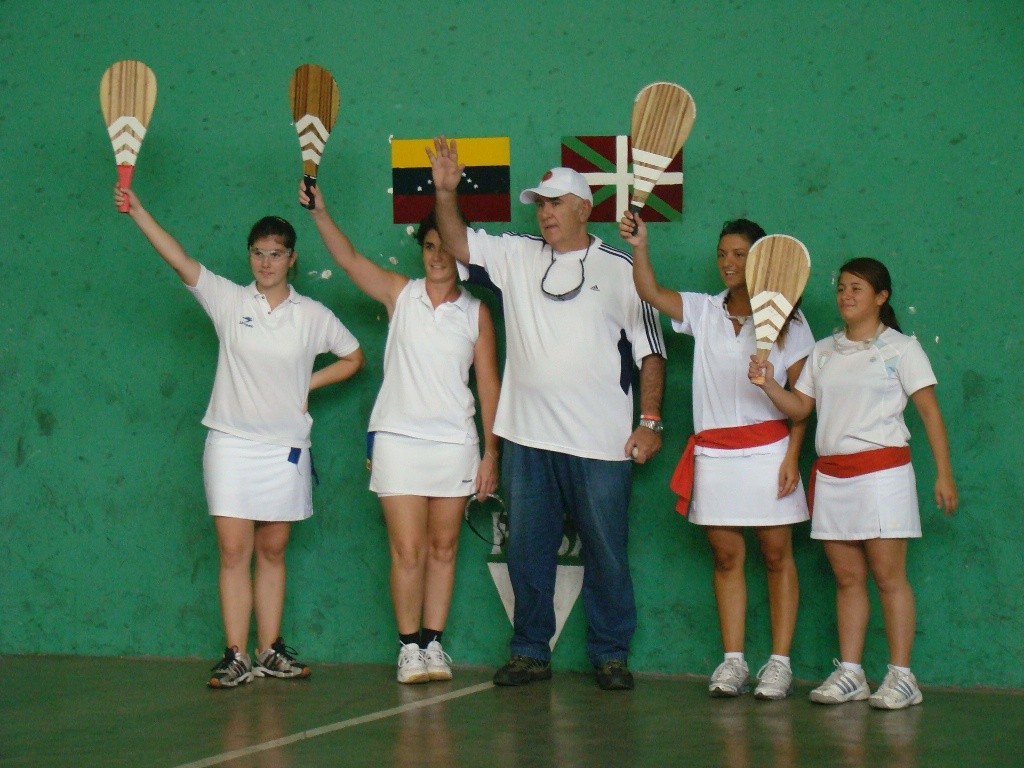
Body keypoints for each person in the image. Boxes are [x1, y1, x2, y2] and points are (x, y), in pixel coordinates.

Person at [426, 137, 667, 691]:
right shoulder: (516, 253)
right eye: (541, 203)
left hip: (603, 444)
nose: (546, 212)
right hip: (528, 440)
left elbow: (654, 350)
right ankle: (530, 650)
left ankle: (610, 654)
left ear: (584, 208)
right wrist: (445, 191)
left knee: (607, 553)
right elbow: (459, 241)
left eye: (557, 203)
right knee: (527, 553)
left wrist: (650, 422)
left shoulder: (623, 267)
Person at [114, 186, 365, 689]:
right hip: (229, 444)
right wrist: (139, 210)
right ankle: (235, 654)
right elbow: (179, 260)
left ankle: (269, 651)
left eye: (276, 254)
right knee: (234, 551)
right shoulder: (228, 300)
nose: (266, 262)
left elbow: (354, 356)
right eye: (258, 252)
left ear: (292, 259)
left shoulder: (312, 315)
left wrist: (307, 385)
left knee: (273, 551)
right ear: (249, 255)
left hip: (285, 450)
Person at [300, 184, 500, 684]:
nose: (437, 257)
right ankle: (409, 647)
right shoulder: (400, 294)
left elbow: (490, 385)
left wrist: (491, 451)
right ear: (422, 251)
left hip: (456, 444)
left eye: (447, 248)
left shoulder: (476, 312)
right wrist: (322, 210)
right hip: (398, 441)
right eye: (430, 247)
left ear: (462, 255)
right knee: (407, 550)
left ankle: (434, 643)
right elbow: (347, 260)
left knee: (444, 548)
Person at [749, 256, 958, 710]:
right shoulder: (823, 351)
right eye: (842, 287)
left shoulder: (902, 349)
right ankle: (851, 673)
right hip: (833, 477)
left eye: (857, 288)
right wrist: (767, 384)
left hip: (883, 476)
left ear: (881, 298)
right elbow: (801, 409)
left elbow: (929, 413)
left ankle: (902, 677)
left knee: (888, 577)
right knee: (847, 579)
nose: (845, 295)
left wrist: (943, 473)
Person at [620, 213, 814, 700]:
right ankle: (733, 662)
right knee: (727, 557)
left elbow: (804, 406)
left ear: (761, 262)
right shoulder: (704, 310)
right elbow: (649, 291)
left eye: (741, 255)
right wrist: (641, 245)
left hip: (770, 452)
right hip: (716, 454)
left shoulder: (792, 321)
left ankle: (779, 663)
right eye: (723, 254)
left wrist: (792, 456)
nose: (729, 263)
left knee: (776, 555)